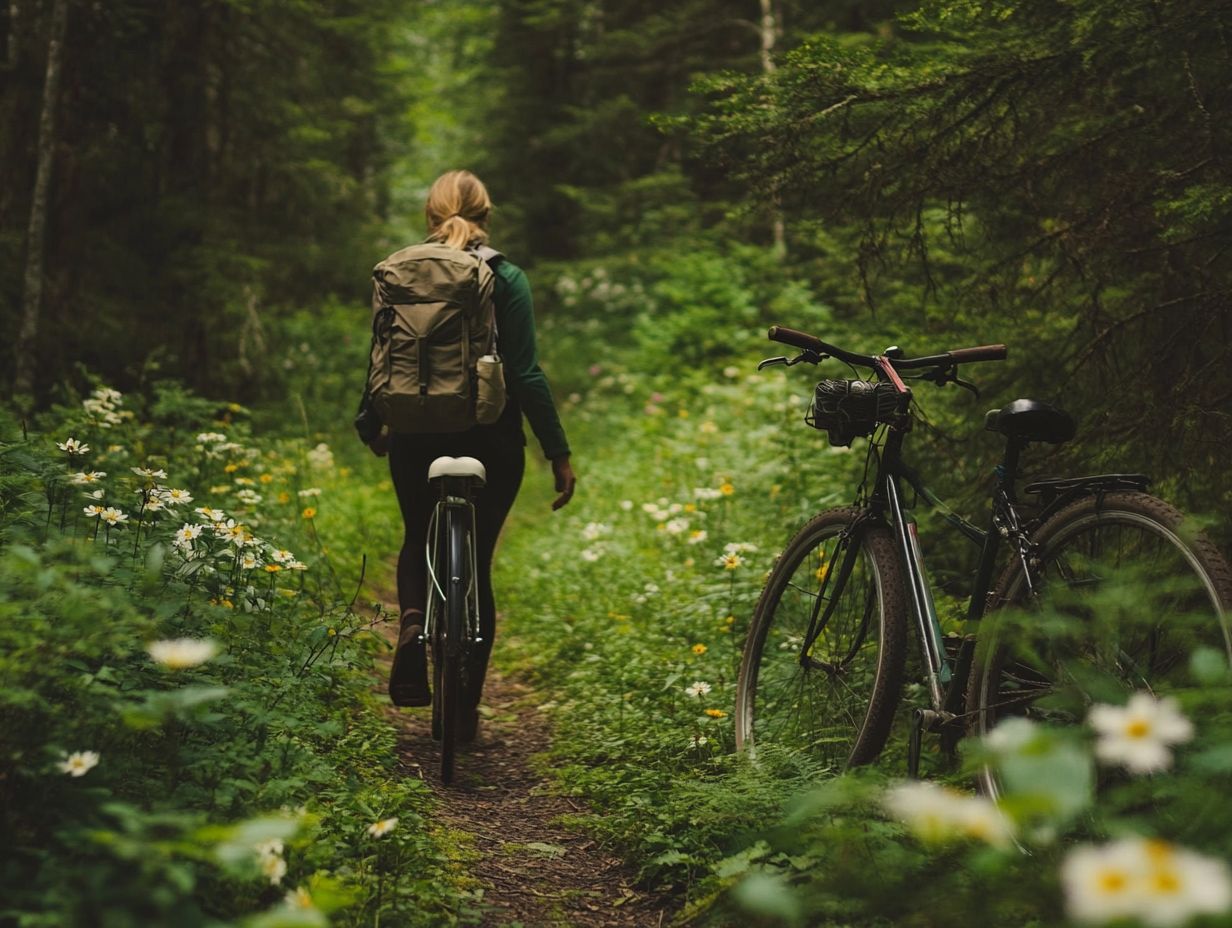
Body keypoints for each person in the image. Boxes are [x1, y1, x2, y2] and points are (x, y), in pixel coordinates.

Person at [354, 169, 576, 737]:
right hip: (489, 437)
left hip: (413, 435)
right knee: (475, 564)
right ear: (487, 214)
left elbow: (383, 357)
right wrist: (558, 452)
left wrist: (372, 423)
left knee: (414, 536)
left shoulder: (396, 271)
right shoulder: (506, 276)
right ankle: (464, 715)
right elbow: (524, 373)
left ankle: (409, 624)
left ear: (429, 214)